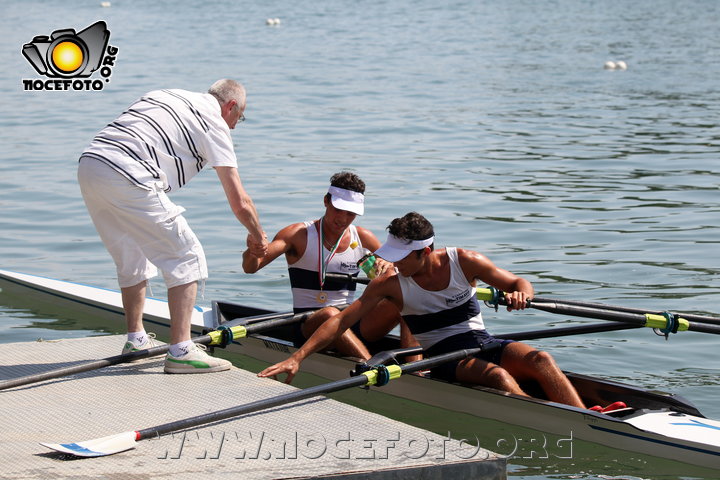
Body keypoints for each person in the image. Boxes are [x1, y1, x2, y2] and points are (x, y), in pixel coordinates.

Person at [258, 212, 587, 409]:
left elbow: (517, 280)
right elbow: (342, 320)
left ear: (426, 251)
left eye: (402, 256)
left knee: (542, 360)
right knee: (498, 376)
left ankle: (590, 419)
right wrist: (297, 357)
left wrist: (521, 295)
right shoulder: (389, 283)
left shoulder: (465, 260)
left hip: (481, 340)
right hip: (442, 356)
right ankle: (551, 419)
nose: (394, 262)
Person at [78, 79, 268, 374]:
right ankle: (180, 350)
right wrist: (258, 236)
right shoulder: (214, 122)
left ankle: (136, 339)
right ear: (230, 106)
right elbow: (239, 200)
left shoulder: (165, 93)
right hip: (129, 173)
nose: (233, 127)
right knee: (186, 255)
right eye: (238, 118)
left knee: (131, 252)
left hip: (91, 165)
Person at [242, 172, 409, 359]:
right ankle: (375, 369)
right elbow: (251, 267)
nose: (343, 219)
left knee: (406, 300)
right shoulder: (298, 235)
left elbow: (404, 275)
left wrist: (389, 266)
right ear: (326, 201)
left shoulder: (363, 238)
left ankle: (417, 371)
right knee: (330, 314)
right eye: (338, 210)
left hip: (349, 320)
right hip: (309, 326)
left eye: (351, 213)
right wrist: (253, 251)